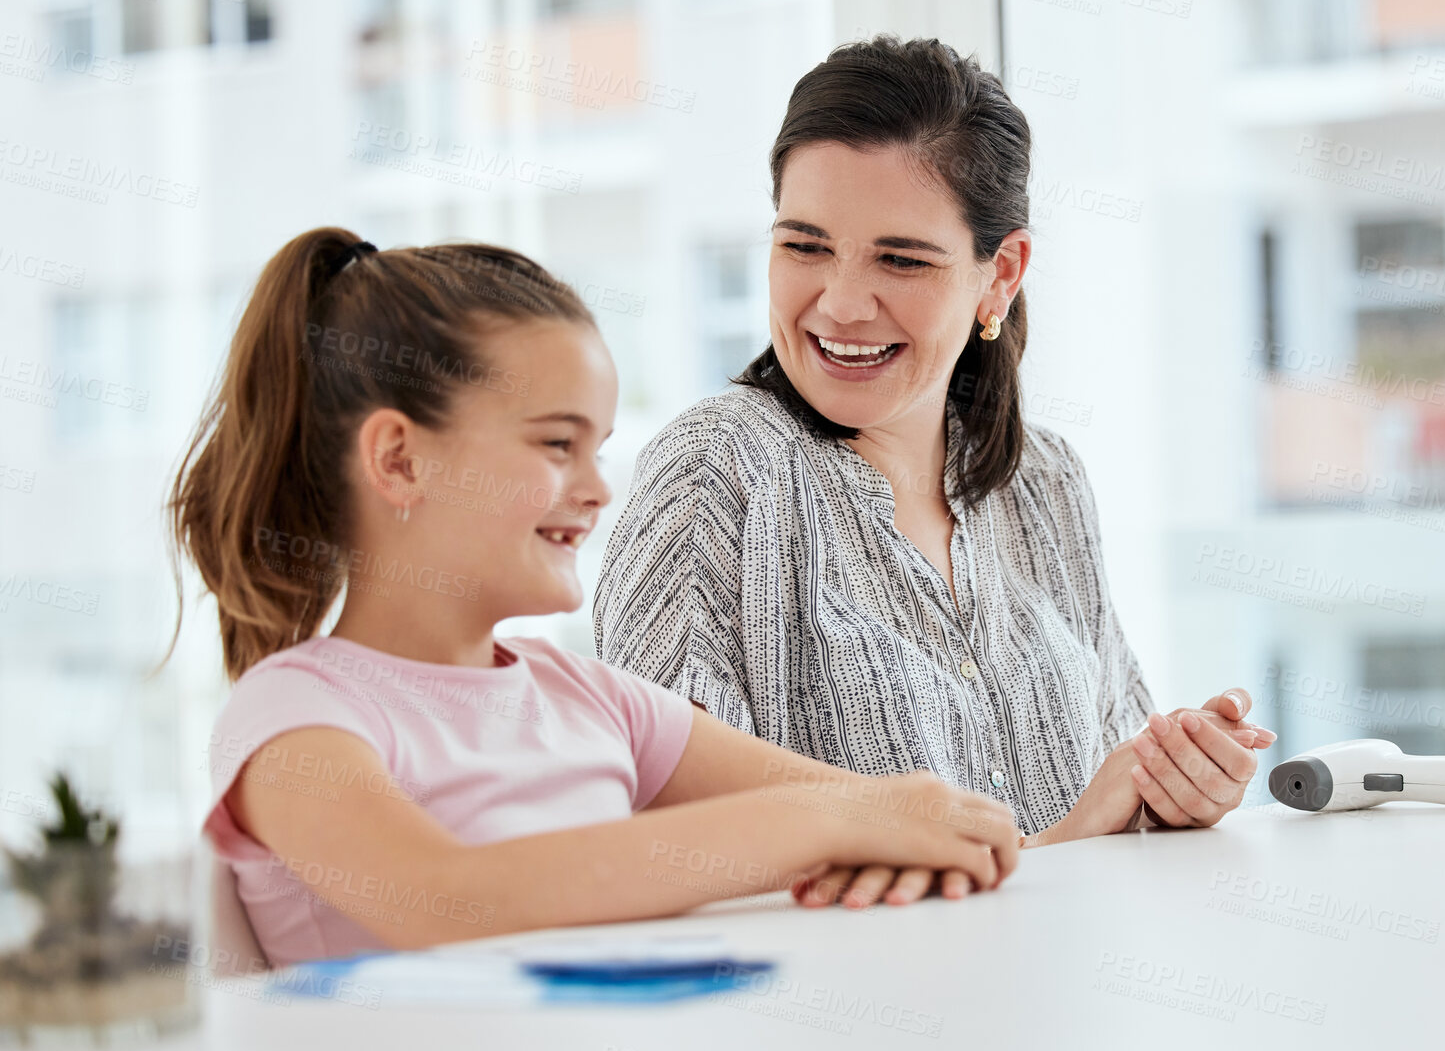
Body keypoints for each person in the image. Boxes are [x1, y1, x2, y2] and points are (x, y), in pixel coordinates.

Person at [166, 228, 1018, 965]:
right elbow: (449, 900)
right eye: (557, 444)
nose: (598, 490)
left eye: (599, 448)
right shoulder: (294, 714)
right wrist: (822, 826)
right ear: (399, 460)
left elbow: (878, 810)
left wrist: (886, 826)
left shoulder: (589, 697)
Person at [595, 37, 1274, 911]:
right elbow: (674, 841)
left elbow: (1117, 793)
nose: (839, 302)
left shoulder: (1047, 483)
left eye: (901, 259)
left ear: (1002, 274)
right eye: (804, 246)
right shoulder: (714, 475)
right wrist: (1058, 845)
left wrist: (1172, 790)